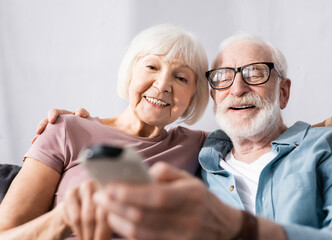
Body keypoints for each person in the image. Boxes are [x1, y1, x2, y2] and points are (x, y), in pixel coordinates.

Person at [86, 33, 332, 240]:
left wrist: (242, 228)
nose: (237, 88)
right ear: (214, 96)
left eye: (255, 73)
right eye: (222, 77)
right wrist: (80, 123)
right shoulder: (197, 156)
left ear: (283, 92)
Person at [0, 23, 210, 239]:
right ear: (130, 72)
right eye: (152, 67)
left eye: (181, 78)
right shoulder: (66, 129)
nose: (163, 84)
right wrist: (64, 218)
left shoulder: (200, 146)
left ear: (193, 96)